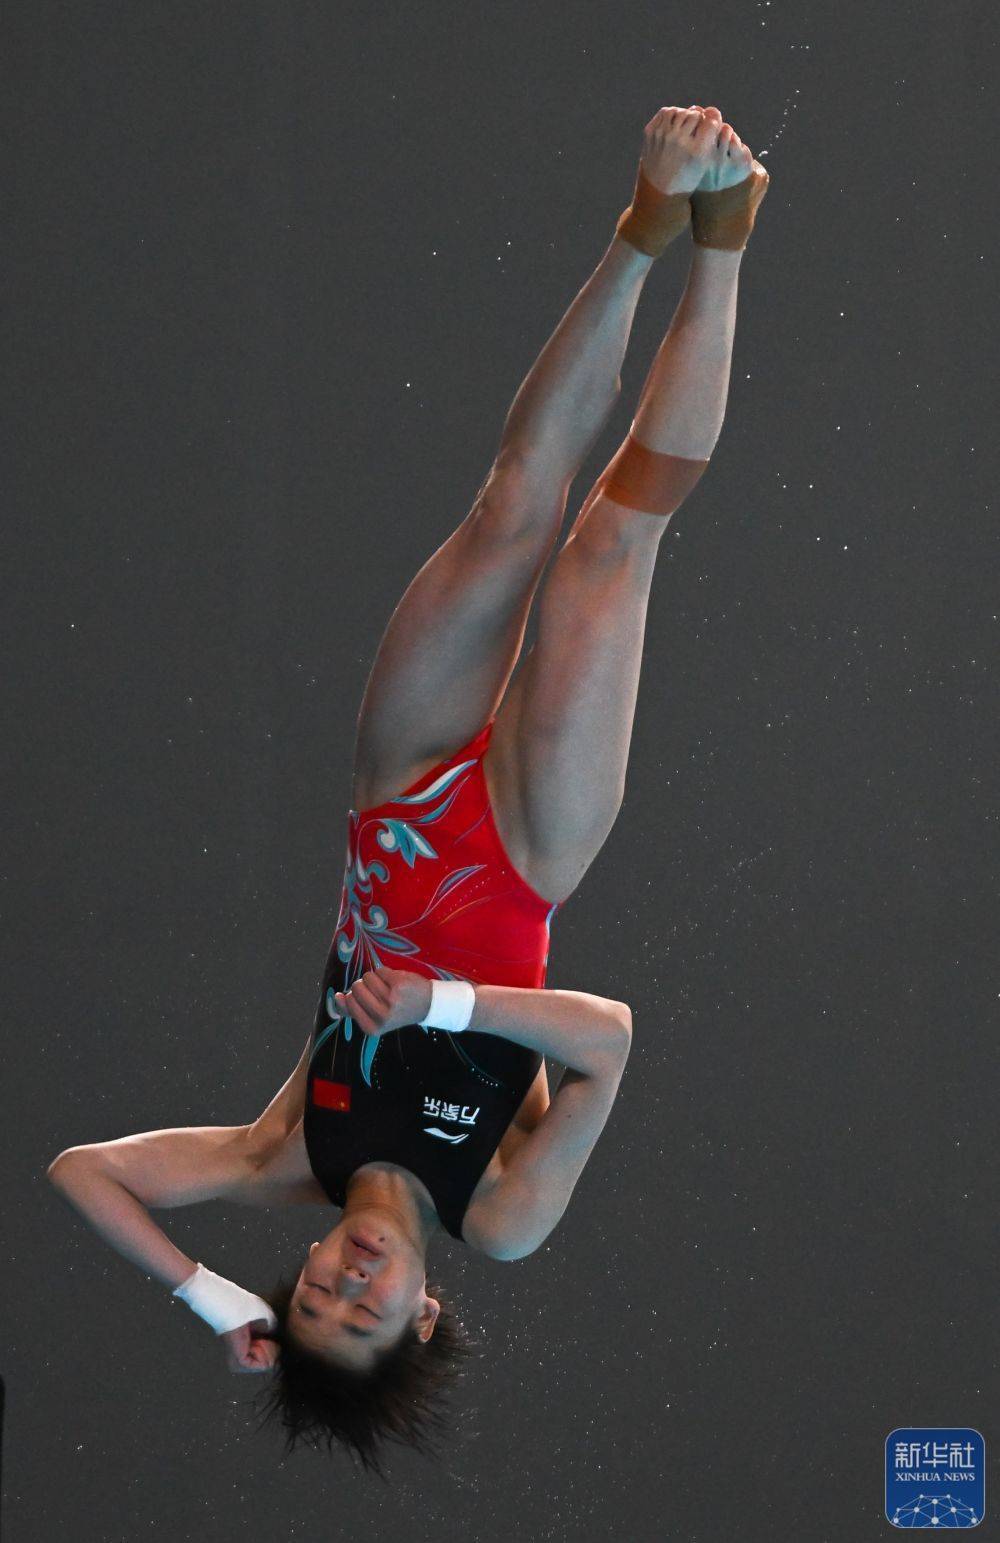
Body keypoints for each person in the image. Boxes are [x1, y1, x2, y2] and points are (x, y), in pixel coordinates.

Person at [47, 103, 769, 1472]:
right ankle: (725, 236)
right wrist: (445, 1004)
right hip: (527, 854)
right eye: (367, 1315)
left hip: (397, 799)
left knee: (511, 507)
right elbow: (608, 1041)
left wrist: (205, 1296)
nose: (345, 1284)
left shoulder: (287, 1154)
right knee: (610, 544)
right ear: (424, 1316)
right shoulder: (501, 1213)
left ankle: (644, 224)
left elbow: (81, 1172)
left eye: (311, 1298)